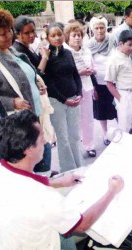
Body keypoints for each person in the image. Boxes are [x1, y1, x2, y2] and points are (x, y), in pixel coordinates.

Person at [0, 109, 124, 249]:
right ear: (28, 149)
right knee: (69, 233)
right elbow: (82, 226)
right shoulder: (43, 197)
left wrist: (58, 182)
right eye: (41, 139)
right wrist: (111, 191)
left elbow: (27, 182)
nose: (46, 141)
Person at [0, 9, 51, 174]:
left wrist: (37, 83)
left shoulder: (14, 52)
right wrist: (11, 102)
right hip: (18, 129)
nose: (9, 36)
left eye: (9, 31)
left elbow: (29, 75)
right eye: (2, 34)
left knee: (42, 165)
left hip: (36, 116)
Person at [40, 23, 84, 172]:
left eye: (59, 34)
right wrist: (64, 100)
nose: (57, 38)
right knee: (63, 138)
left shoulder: (68, 53)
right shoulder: (47, 57)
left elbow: (75, 75)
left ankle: (80, 167)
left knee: (75, 136)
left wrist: (79, 93)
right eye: (53, 35)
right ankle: (69, 170)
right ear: (48, 38)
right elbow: (49, 83)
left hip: (74, 99)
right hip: (57, 102)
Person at [105, 30, 132, 139]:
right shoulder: (113, 59)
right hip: (125, 94)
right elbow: (109, 83)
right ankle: (123, 151)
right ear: (121, 44)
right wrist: (120, 99)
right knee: (124, 126)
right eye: (129, 45)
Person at [64, 21, 97, 158]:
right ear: (68, 37)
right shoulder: (65, 53)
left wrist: (91, 71)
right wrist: (79, 73)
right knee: (73, 121)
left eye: (79, 35)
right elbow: (63, 73)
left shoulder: (87, 51)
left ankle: (89, 145)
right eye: (74, 35)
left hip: (87, 88)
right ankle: (75, 148)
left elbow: (94, 68)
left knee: (88, 119)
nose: (77, 38)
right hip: (72, 90)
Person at [87, 16, 117, 146]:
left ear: (106, 28)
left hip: (114, 81)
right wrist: (93, 87)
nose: (99, 30)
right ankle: (106, 134)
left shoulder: (112, 40)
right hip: (98, 83)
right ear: (92, 29)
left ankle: (123, 130)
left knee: (118, 109)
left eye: (102, 27)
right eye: (97, 28)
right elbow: (88, 66)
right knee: (102, 111)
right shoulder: (88, 46)